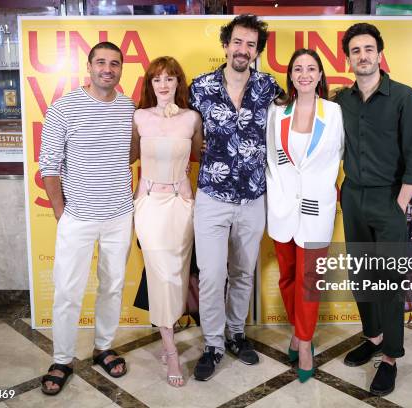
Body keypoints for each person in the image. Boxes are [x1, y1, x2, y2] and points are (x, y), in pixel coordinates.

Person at [334, 23, 412, 396]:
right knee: (361, 277)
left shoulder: (405, 98)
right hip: (353, 196)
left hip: (389, 199)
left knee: (387, 283)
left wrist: (398, 207)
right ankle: (372, 338)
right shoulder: (342, 101)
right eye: (355, 50)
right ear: (349, 58)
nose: (363, 56)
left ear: (379, 53)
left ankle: (390, 357)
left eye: (368, 49)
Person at [189, 14, 282, 381]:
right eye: (238, 42)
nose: (244, 50)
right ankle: (212, 343)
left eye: (251, 45)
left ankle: (236, 333)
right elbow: (183, 131)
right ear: (226, 45)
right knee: (212, 275)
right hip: (212, 196)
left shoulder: (268, 87)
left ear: (256, 51)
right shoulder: (200, 87)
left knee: (243, 271)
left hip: (253, 197)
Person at [38, 42, 135, 395]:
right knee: (67, 291)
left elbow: (132, 152)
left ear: (121, 68)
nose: (107, 69)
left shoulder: (128, 108)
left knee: (111, 285)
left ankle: (103, 347)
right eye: (101, 62)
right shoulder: (63, 109)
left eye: (114, 63)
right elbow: (49, 167)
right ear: (89, 66)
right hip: (77, 217)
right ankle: (62, 358)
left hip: (120, 214)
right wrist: (63, 214)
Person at [265, 49, 343, 382]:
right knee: (287, 277)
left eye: (311, 68)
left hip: (316, 209)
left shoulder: (335, 112)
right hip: (283, 209)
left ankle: (305, 342)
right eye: (298, 68)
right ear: (291, 76)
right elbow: (271, 158)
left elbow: (337, 156)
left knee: (309, 281)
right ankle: (298, 330)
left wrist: (322, 193)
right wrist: (280, 197)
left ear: (321, 74)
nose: (305, 74)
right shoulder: (277, 111)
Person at [130, 56, 203, 387]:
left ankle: (169, 329)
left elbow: (201, 156)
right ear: (150, 84)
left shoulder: (191, 119)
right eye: (157, 79)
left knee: (178, 271)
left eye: (170, 78)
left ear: (178, 83)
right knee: (159, 271)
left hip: (181, 203)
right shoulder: (138, 117)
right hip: (148, 204)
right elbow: (127, 157)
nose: (163, 84)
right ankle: (171, 349)